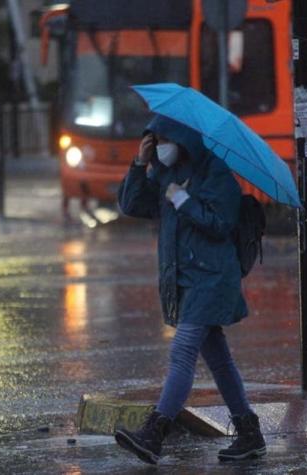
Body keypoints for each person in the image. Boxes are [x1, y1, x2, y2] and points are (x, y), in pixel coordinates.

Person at [113, 114, 266, 464]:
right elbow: (132, 204)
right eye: (154, 141)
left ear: (183, 139)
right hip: (185, 279)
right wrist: (140, 163)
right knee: (219, 360)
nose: (160, 147)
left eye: (163, 139)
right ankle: (249, 433)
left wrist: (186, 202)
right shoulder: (167, 172)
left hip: (211, 278)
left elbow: (221, 223)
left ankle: (154, 433)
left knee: (182, 353)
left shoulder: (217, 174)